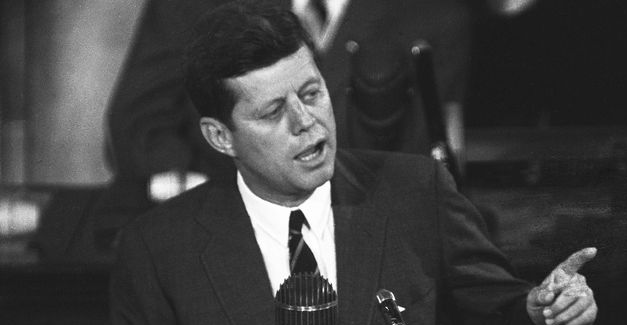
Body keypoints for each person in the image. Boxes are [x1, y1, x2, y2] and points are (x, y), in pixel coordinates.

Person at [101, 2, 598, 325]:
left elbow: (503, 318)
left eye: (312, 93)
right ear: (220, 137)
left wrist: (545, 317)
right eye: (273, 112)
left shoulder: (415, 194)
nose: (306, 121)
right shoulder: (159, 249)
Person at [102, 0, 470, 206]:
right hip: (226, 241)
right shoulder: (192, 6)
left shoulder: (435, 13)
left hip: (369, 250)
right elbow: (137, 125)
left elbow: (428, 159)